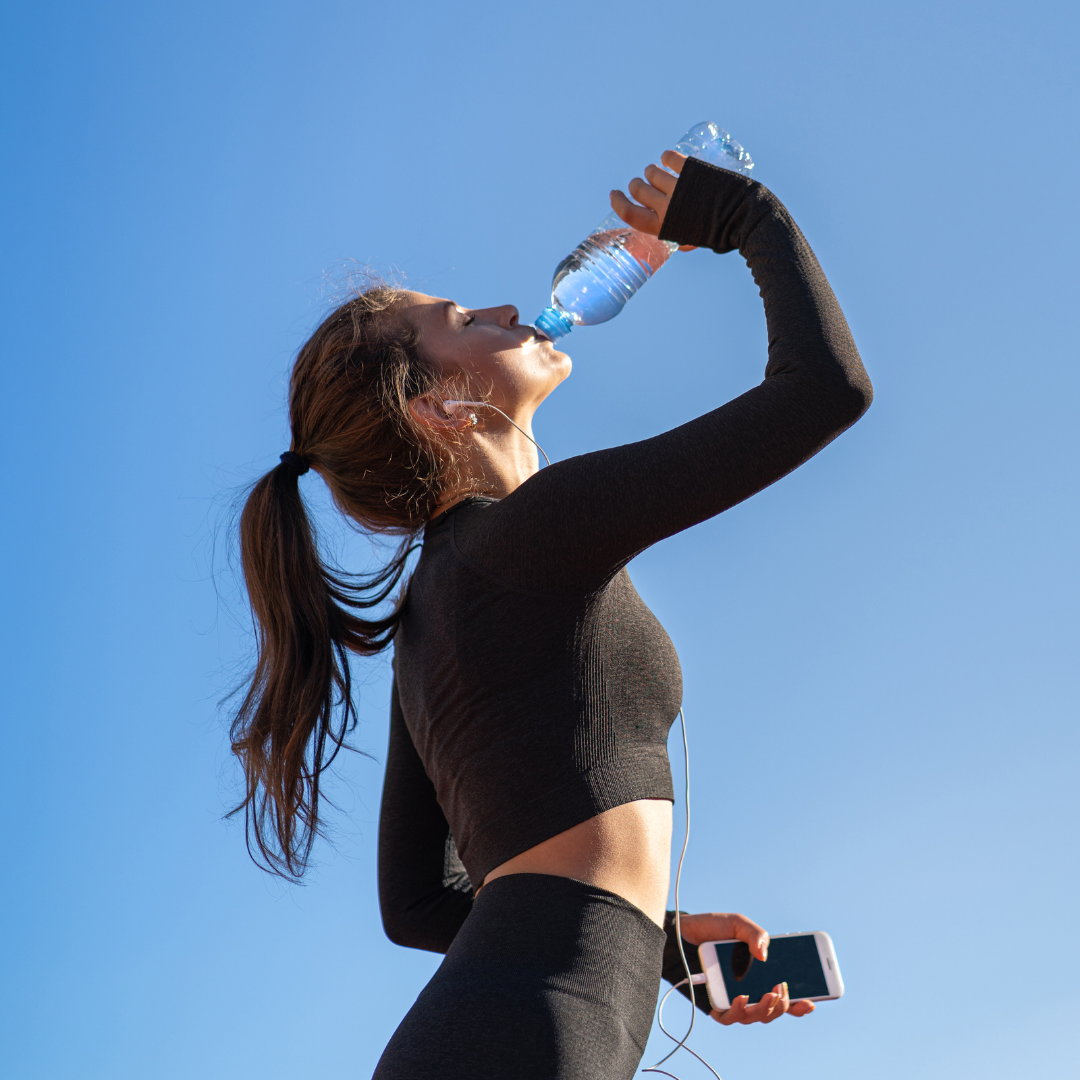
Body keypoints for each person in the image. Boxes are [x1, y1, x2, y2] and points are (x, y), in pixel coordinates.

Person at [231, 148, 872, 1079]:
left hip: (499, 1035)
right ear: (440, 411)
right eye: (459, 321)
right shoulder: (524, 536)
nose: (499, 308)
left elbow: (416, 904)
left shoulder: (435, 612)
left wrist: (673, 952)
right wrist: (750, 215)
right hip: (527, 1042)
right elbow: (825, 391)